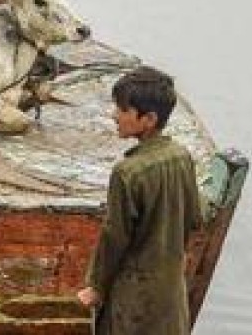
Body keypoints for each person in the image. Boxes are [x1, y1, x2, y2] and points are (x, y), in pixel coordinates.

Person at [77, 66, 205, 334]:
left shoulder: (127, 172)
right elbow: (195, 218)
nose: (115, 116)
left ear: (148, 119)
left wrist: (97, 287)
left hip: (134, 300)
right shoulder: (182, 157)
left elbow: (114, 237)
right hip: (171, 296)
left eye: (123, 110)